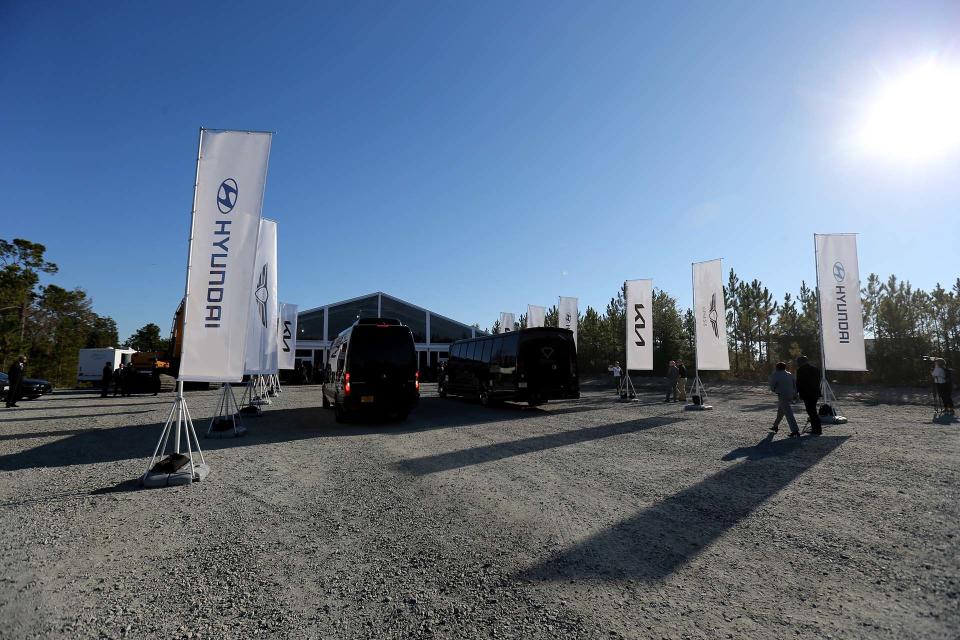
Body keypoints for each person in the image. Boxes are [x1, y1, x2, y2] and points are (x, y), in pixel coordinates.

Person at [769, 362, 800, 438]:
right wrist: (795, 394)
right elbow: (795, 385)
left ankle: (795, 430)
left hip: (782, 395)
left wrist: (774, 390)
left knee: (788, 413)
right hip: (791, 394)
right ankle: (775, 426)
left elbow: (772, 385)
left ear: (777, 368)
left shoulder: (776, 374)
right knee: (781, 411)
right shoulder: (789, 374)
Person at [795, 355, 822, 435]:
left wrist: (796, 393)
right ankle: (816, 428)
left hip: (807, 394)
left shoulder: (800, 370)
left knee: (811, 411)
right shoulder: (815, 369)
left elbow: (799, 383)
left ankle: (816, 429)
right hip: (815, 393)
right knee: (812, 410)